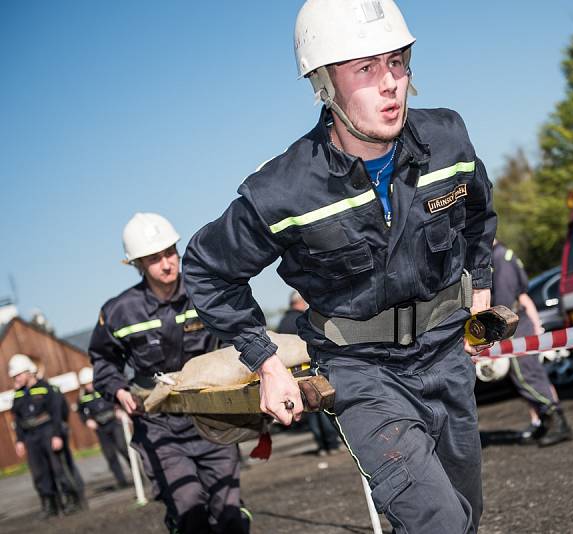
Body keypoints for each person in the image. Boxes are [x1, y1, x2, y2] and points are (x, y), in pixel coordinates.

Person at [182, 1, 496, 531]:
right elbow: (207, 269)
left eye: (396, 62)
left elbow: (479, 215)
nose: (390, 83)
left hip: (446, 353)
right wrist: (267, 361)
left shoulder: (448, 139)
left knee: (465, 515)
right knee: (437, 522)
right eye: (366, 69)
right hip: (363, 374)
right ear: (325, 84)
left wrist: (481, 290)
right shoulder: (283, 190)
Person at [88, 212, 250, 533]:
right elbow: (103, 360)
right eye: (153, 258)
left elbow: (241, 334)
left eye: (169, 253)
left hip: (212, 418)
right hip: (160, 427)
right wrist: (119, 390)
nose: (166, 263)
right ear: (137, 264)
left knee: (230, 514)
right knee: (190, 511)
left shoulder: (206, 292)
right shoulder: (119, 311)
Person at [491, 240, 573, 446]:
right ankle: (544, 423)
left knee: (526, 375)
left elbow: (504, 301)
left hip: (512, 325)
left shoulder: (499, 258)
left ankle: (557, 422)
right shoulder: (503, 255)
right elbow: (523, 296)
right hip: (519, 322)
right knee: (529, 375)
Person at [9, 353, 84, 518]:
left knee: (59, 468)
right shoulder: (19, 394)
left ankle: (72, 501)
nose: (16, 378)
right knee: (39, 472)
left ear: (29, 372)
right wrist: (20, 441)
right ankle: (50, 505)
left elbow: (57, 413)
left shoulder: (47, 388)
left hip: (48, 430)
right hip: (30, 436)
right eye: (14, 376)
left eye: (19, 374)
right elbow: (18, 419)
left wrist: (57, 435)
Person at [276, 291, 341, 456]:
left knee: (310, 410)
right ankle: (332, 444)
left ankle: (321, 446)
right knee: (323, 407)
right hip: (310, 369)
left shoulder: (282, 323)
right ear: (298, 302)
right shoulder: (303, 319)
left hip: (293, 375)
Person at [76, 367, 131, 488]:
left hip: (114, 422)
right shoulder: (83, 397)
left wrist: (119, 410)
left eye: (90, 382)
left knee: (123, 448)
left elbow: (117, 398)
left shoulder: (104, 389)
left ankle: (137, 476)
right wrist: (88, 420)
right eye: (85, 384)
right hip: (100, 427)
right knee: (110, 455)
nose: (88, 386)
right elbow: (80, 412)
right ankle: (121, 482)